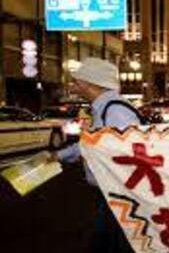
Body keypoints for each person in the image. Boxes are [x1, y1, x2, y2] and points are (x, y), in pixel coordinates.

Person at [50, 58, 140, 253]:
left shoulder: (116, 111)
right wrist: (60, 155)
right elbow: (93, 144)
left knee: (108, 245)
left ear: (89, 83)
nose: (73, 85)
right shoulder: (104, 108)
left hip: (120, 193)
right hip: (111, 193)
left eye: (76, 81)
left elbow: (128, 153)